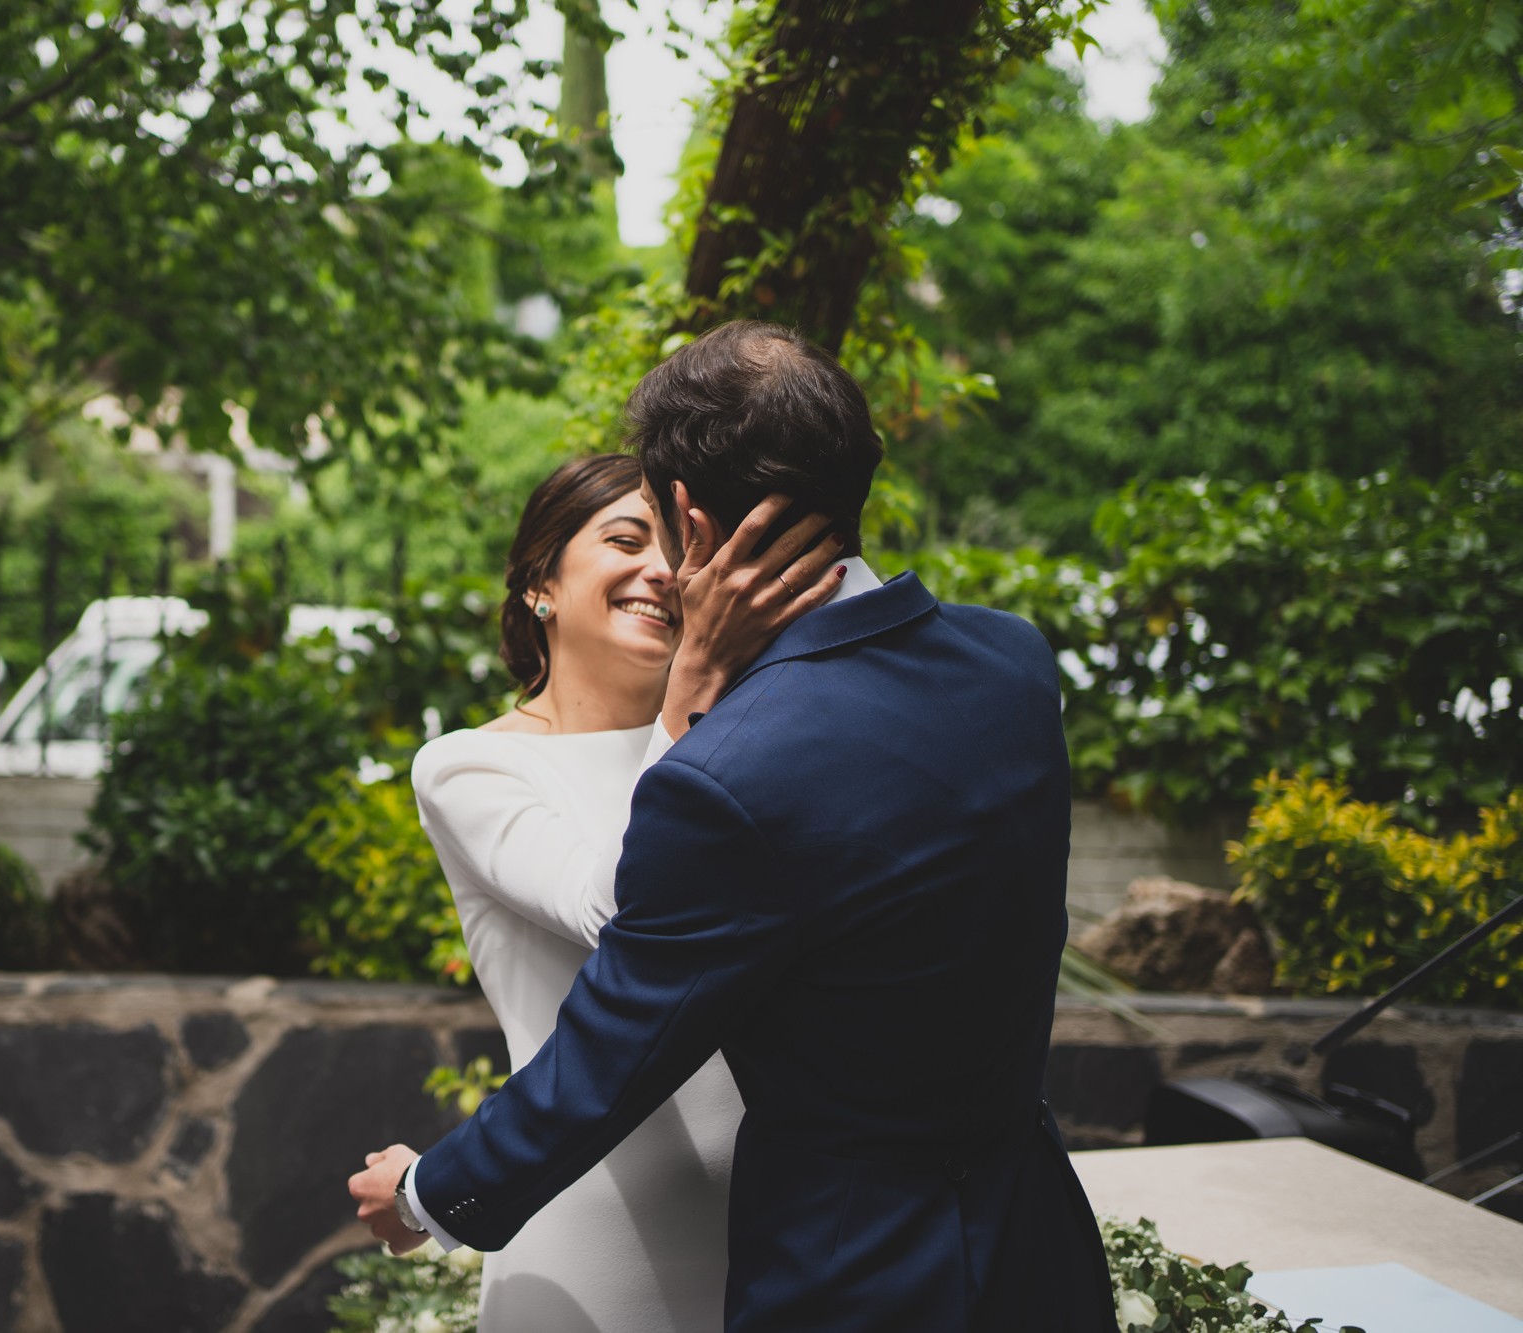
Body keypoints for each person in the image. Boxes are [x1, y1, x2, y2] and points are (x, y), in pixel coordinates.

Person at [351, 321, 1117, 1332]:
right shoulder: (1011, 665)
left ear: (685, 516)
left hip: (854, 1279)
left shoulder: (726, 767)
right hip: (1032, 1258)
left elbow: (614, 1042)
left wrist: (427, 1194)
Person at [408, 452, 846, 1332]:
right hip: (588, 1245)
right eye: (624, 538)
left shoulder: (752, 742)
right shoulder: (470, 764)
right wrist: (694, 690)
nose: (660, 567)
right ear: (542, 583)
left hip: (779, 1238)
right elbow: (624, 908)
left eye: (679, 545)